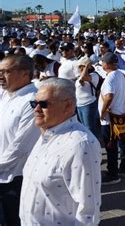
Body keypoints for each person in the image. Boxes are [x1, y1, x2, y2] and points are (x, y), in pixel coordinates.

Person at [20, 78, 101, 225]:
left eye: (43, 104)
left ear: (68, 105)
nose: (36, 109)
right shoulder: (46, 133)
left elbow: (88, 212)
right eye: (34, 103)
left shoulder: (80, 145)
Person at [0, 55, 40, 225]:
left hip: (15, 178)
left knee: (13, 220)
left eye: (6, 72)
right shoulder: (5, 94)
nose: (0, 76)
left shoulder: (32, 101)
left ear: (25, 74)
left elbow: (20, 146)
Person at [99, 52, 125, 184]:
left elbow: (109, 96)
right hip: (121, 114)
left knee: (111, 146)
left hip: (110, 118)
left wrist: (102, 111)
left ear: (106, 64)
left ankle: (113, 174)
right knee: (123, 143)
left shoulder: (110, 78)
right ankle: (124, 168)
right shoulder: (122, 75)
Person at [75, 56, 102, 142]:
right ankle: (88, 145)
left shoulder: (94, 75)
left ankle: (93, 145)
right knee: (83, 128)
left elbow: (83, 78)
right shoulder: (79, 76)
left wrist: (87, 66)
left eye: (80, 66)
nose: (79, 68)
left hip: (89, 105)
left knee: (90, 129)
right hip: (79, 105)